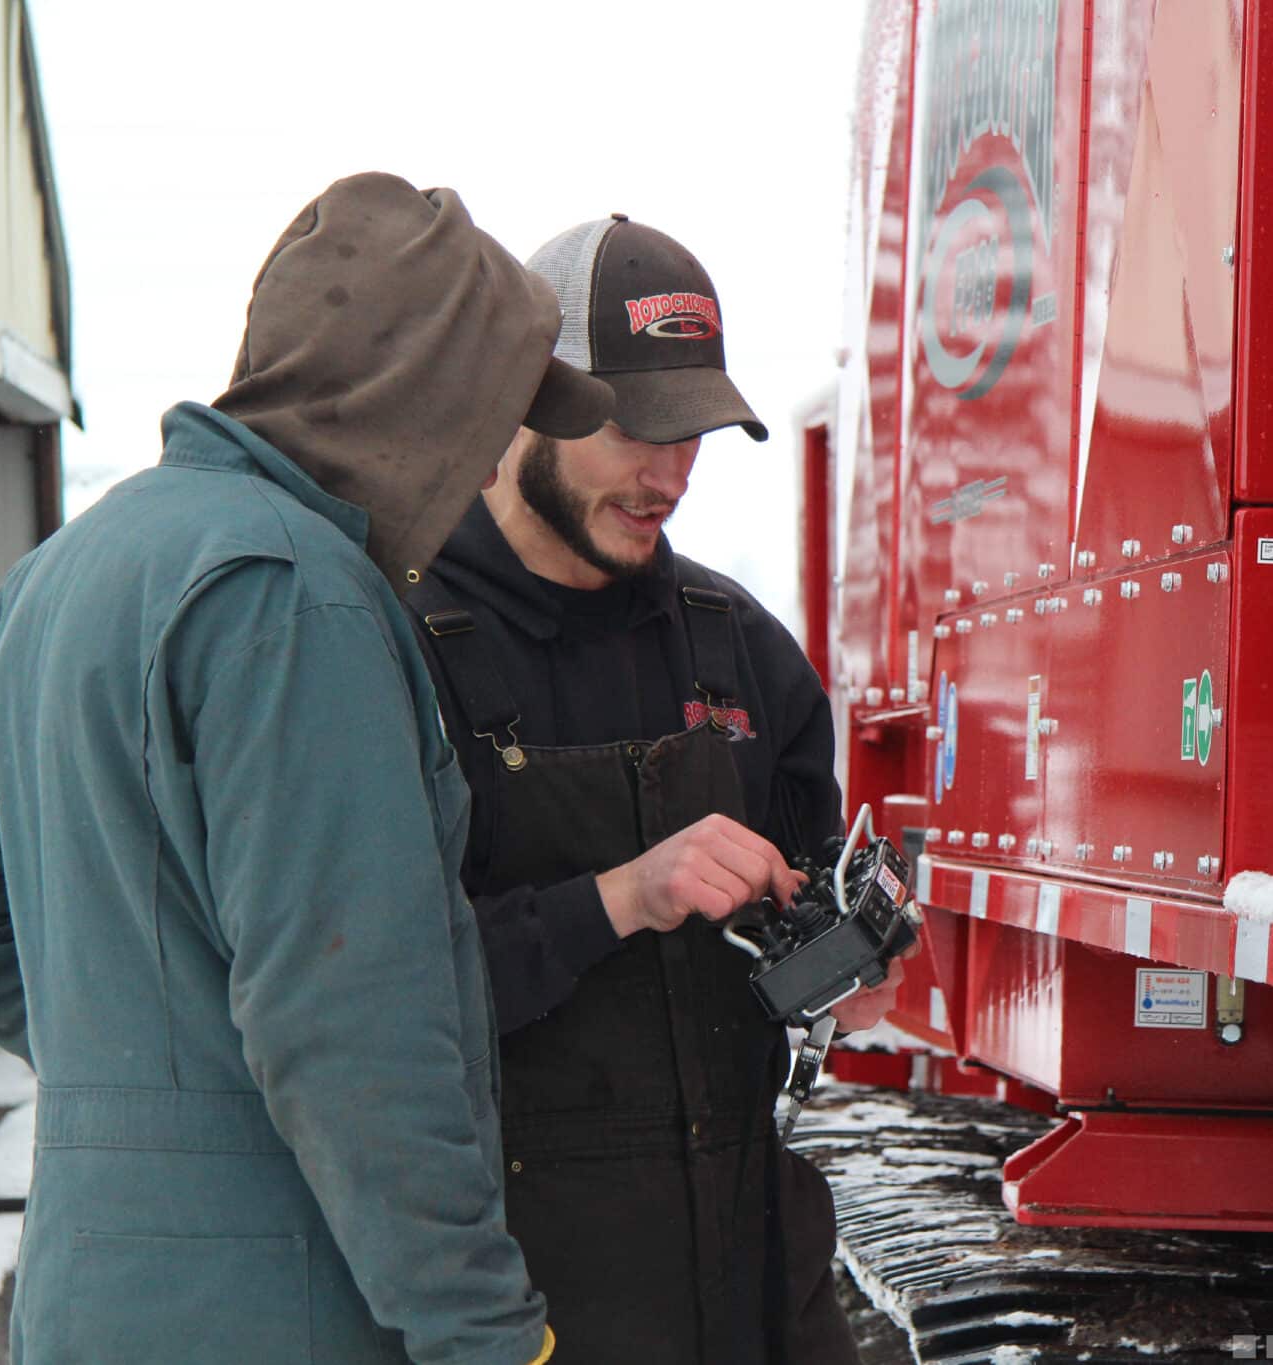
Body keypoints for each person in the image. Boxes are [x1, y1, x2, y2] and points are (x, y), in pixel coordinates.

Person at [0, 172, 617, 1364]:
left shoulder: (76, 565)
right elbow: (353, 1025)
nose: (495, 450)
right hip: (285, 1308)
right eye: (495, 406)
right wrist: (487, 1334)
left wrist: (146, 1085)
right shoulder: (296, 597)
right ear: (416, 390)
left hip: (93, 1303)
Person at [407, 215, 893, 1365]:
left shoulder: (744, 651)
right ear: (523, 400)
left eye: (695, 433)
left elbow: (806, 921)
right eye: (636, 428)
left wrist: (845, 945)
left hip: (751, 1277)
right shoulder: (398, 648)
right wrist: (616, 897)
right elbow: (364, 1000)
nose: (670, 474)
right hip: (519, 1295)